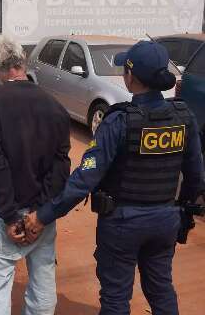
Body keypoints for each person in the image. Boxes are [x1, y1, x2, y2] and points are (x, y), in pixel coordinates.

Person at [25, 41, 204, 315]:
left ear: (131, 77)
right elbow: (195, 177)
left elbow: (84, 180)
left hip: (123, 224)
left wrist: (42, 216)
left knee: (116, 299)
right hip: (166, 219)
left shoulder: (119, 121)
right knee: (161, 290)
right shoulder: (183, 117)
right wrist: (184, 214)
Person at [0, 34, 71, 315]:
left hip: (6, 216)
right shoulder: (54, 106)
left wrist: (8, 216)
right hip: (42, 217)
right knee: (43, 280)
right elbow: (61, 164)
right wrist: (40, 214)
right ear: (23, 61)